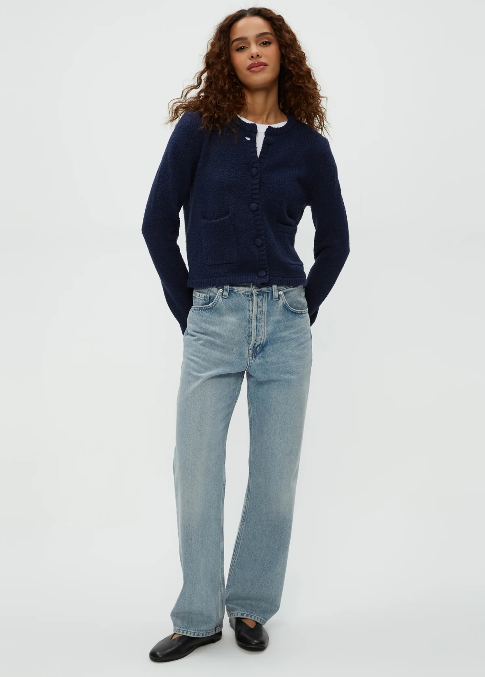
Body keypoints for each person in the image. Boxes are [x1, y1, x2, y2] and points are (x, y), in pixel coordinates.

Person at [141, 7, 350, 663]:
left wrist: (301, 310)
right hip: (213, 317)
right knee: (197, 472)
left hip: (285, 324)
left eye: (265, 41)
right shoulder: (198, 131)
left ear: (283, 53)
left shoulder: (310, 148)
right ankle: (198, 615)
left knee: (275, 478)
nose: (254, 51)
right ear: (226, 59)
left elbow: (336, 243)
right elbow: (156, 224)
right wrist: (191, 311)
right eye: (240, 44)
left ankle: (251, 604)